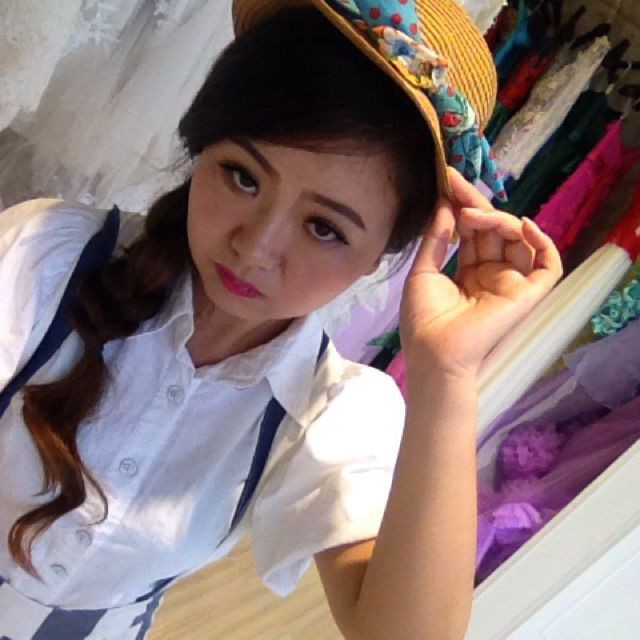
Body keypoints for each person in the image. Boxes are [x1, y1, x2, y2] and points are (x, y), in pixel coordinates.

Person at [0, 0, 563, 638]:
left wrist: (448, 372)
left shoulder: (333, 409)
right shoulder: (50, 256)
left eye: (324, 227)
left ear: (382, 256)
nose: (256, 248)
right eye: (242, 176)